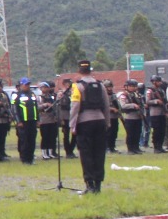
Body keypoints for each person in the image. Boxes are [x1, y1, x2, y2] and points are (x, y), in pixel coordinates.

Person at [68, 60, 110, 193]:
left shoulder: (77, 86)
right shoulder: (100, 85)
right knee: (99, 153)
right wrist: (107, 122)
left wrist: (72, 125)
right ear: (91, 71)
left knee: (86, 153)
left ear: (79, 71)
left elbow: (75, 107)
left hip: (84, 122)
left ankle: (89, 184)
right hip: (100, 121)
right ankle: (98, 185)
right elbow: (106, 105)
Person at [12, 78, 40, 164]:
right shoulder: (16, 95)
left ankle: (31, 158)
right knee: (24, 140)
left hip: (32, 121)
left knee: (32, 140)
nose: (27, 86)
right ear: (21, 85)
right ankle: (24, 159)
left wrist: (38, 120)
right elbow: (14, 109)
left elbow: (36, 108)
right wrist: (18, 121)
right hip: (23, 122)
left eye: (28, 84)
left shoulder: (32, 95)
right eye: (25, 84)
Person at [117, 79, 145, 154]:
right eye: (131, 86)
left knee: (137, 133)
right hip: (129, 117)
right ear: (127, 87)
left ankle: (136, 147)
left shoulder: (137, 94)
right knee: (130, 134)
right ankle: (130, 149)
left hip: (138, 116)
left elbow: (141, 104)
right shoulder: (124, 95)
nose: (133, 88)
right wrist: (133, 105)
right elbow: (123, 106)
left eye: (135, 86)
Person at [145, 75, 168, 154]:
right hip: (154, 113)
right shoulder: (150, 91)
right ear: (154, 82)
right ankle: (156, 147)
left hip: (162, 112)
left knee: (162, 130)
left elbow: (164, 100)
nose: (160, 83)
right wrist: (156, 101)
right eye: (158, 81)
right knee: (156, 131)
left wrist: (166, 110)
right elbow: (148, 101)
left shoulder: (161, 90)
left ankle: (160, 146)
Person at [37, 81, 59, 160]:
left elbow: (55, 106)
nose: (45, 89)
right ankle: (44, 153)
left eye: (46, 87)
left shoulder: (51, 97)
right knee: (45, 137)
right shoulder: (39, 97)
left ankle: (50, 152)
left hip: (52, 119)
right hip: (44, 120)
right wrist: (45, 105)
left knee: (52, 137)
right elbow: (37, 108)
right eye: (43, 87)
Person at [104, 80, 120, 153]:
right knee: (108, 133)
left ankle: (112, 147)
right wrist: (111, 109)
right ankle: (106, 147)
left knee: (114, 132)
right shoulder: (103, 96)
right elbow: (103, 106)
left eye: (110, 87)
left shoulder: (113, 95)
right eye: (108, 87)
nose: (110, 89)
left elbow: (118, 105)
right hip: (107, 117)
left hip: (115, 116)